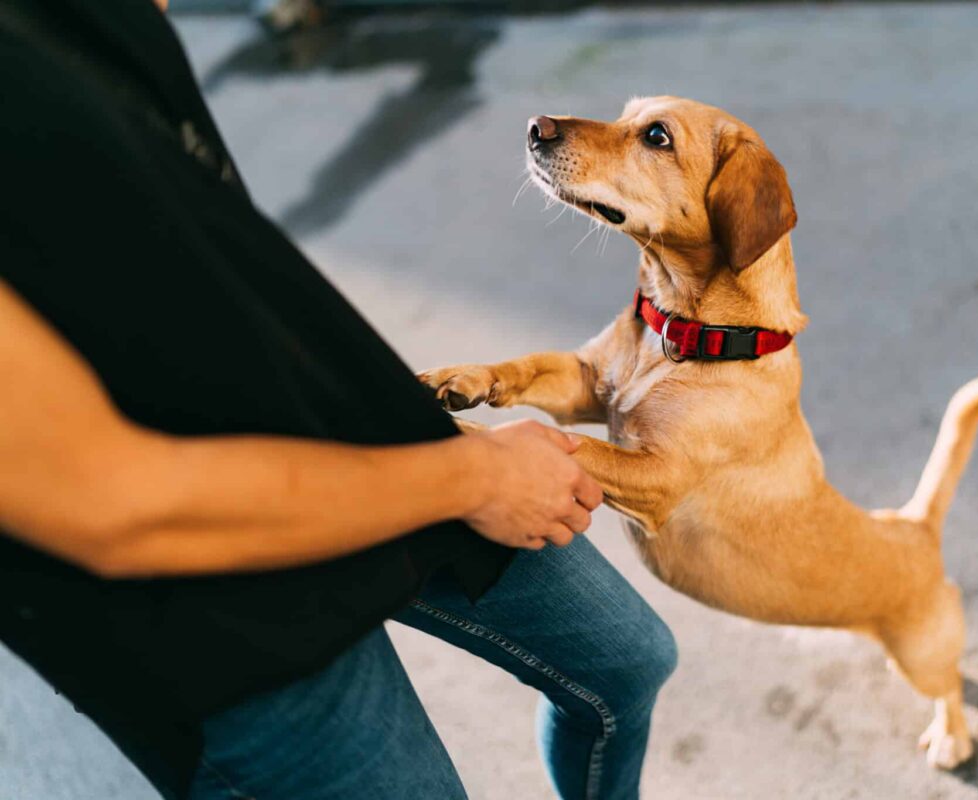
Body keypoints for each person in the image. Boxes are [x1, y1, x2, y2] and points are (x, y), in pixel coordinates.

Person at [0, 0, 677, 798]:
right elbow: (109, 503)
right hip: (219, 614)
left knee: (626, 662)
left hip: (339, 410)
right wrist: (479, 479)